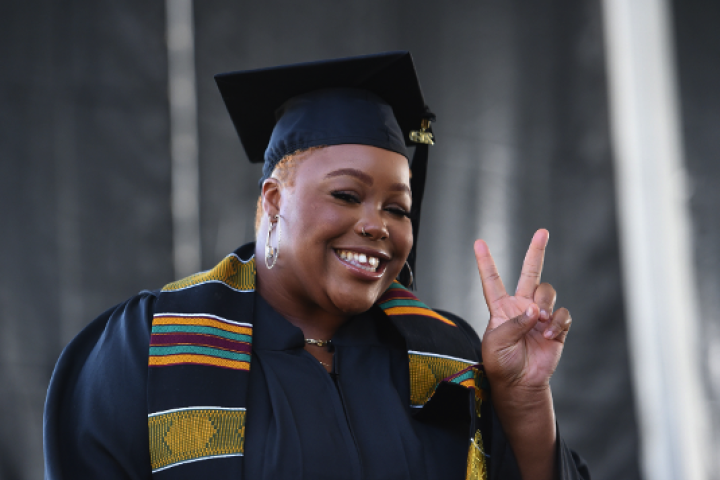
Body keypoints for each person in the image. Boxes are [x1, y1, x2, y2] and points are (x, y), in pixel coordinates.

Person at [44, 52, 590, 480]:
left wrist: (522, 398)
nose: (377, 224)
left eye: (397, 208)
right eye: (348, 195)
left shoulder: (449, 357)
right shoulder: (152, 344)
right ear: (275, 201)